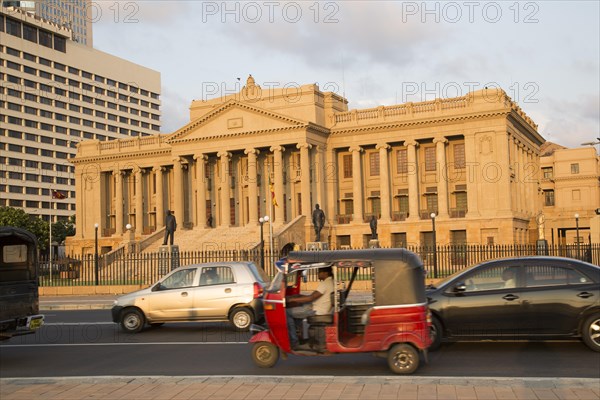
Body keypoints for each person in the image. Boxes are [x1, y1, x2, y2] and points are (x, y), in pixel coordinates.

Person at [286, 267, 334, 350]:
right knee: (297, 309)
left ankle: (294, 342)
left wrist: (291, 299)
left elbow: (311, 298)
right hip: (317, 306)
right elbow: (313, 296)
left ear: (325, 273)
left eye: (319, 272)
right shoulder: (329, 282)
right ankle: (300, 336)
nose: (317, 274)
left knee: (286, 313)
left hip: (316, 310)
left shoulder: (325, 284)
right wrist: (298, 296)